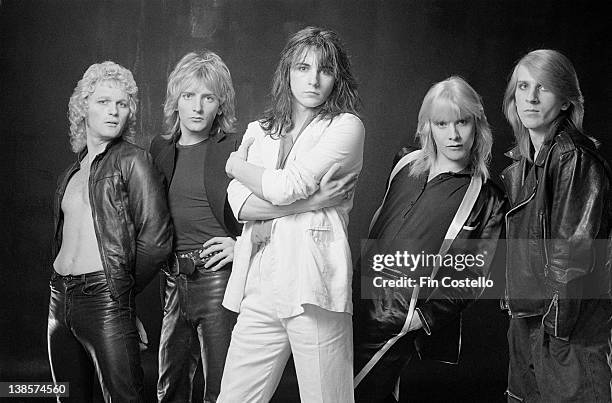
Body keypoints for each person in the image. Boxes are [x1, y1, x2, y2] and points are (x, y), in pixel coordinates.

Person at [217, 26, 364, 402]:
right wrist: (313, 202)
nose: (313, 79)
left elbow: (284, 187)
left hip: (311, 281)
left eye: (325, 70)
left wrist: (236, 166)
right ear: (287, 72)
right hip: (259, 279)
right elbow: (239, 203)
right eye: (303, 67)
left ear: (337, 78)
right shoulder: (259, 130)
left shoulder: (346, 127)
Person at [352, 76, 505, 402]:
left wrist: (423, 317)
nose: (453, 134)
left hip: (401, 319)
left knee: (359, 395)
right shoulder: (405, 160)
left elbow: (472, 275)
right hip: (353, 301)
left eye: (462, 122)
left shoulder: (487, 198)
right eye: (442, 123)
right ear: (428, 126)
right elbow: (380, 226)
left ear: (477, 125)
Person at [48, 61, 173, 402]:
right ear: (83, 107)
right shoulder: (71, 173)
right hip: (59, 300)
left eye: (122, 104)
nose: (114, 111)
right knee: (67, 395)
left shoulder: (135, 161)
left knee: (123, 398)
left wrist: (121, 298)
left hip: (105, 298)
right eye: (104, 101)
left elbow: (157, 242)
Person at [501, 49, 612, 402]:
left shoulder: (573, 158)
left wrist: (553, 335)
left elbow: (571, 260)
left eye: (544, 88)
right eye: (523, 86)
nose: (530, 98)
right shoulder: (523, 162)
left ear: (565, 102)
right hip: (529, 324)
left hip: (566, 332)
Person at [149, 51, 241, 403]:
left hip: (218, 278)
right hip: (173, 281)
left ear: (221, 104)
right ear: (176, 101)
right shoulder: (160, 150)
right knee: (169, 387)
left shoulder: (234, 147)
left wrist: (239, 245)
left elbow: (273, 210)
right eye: (189, 96)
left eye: (208, 97)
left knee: (221, 387)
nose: (197, 107)